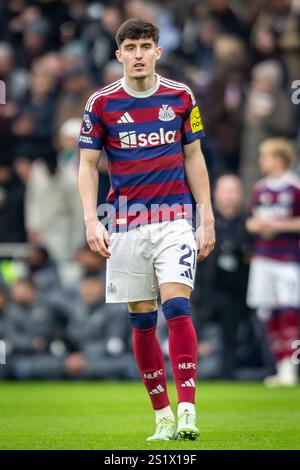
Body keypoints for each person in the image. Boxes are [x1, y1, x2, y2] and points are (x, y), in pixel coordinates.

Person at [78, 18, 215, 441]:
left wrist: (205, 215)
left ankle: (188, 409)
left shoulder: (179, 96)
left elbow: (194, 156)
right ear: (119, 54)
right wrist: (90, 219)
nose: (138, 54)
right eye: (131, 47)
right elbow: (86, 165)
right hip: (126, 223)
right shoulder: (101, 103)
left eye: (145, 46)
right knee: (142, 320)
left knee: (177, 307)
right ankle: (163, 417)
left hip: (174, 217)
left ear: (158, 51)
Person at [246, 138, 300, 387]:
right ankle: (280, 366)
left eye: (265, 156)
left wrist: (277, 225)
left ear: (279, 158)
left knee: (290, 311)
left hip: (287, 258)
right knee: (268, 313)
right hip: (263, 257)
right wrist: (259, 226)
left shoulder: (294, 187)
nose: (261, 161)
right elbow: (250, 221)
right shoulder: (260, 189)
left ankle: (291, 366)